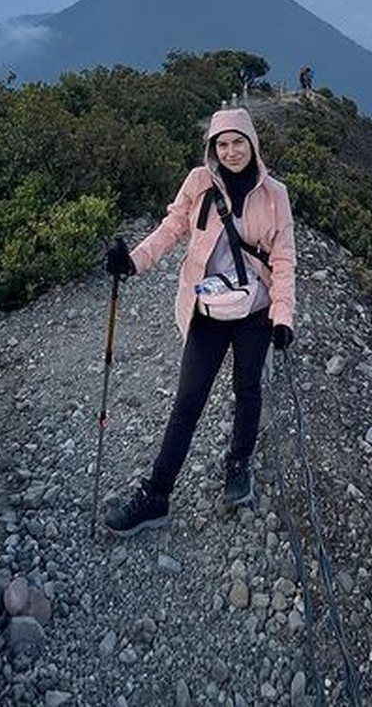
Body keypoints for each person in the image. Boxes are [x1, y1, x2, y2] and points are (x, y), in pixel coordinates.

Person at [101, 107, 296, 535]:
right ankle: (157, 495)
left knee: (247, 389)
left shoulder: (275, 194)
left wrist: (283, 317)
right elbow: (172, 228)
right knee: (188, 401)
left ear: (253, 144)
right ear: (212, 148)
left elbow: (283, 259)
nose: (230, 152)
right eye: (221, 145)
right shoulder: (199, 182)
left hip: (255, 310)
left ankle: (238, 464)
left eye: (237, 142)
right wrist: (132, 262)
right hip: (206, 309)